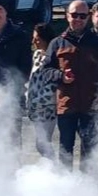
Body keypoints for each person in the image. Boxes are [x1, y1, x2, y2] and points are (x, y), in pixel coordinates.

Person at [47, 0, 98, 168]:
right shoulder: (57, 43)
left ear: (88, 17)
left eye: (82, 16)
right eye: (74, 15)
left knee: (90, 149)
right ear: (67, 16)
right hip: (66, 105)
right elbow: (45, 71)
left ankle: (88, 181)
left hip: (92, 106)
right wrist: (60, 76)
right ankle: (65, 180)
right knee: (65, 148)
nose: (78, 19)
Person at [25, 24, 61, 159]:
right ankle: (49, 165)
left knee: (42, 143)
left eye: (37, 39)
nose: (34, 41)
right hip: (34, 105)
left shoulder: (54, 55)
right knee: (41, 143)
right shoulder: (37, 55)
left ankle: (53, 166)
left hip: (47, 107)